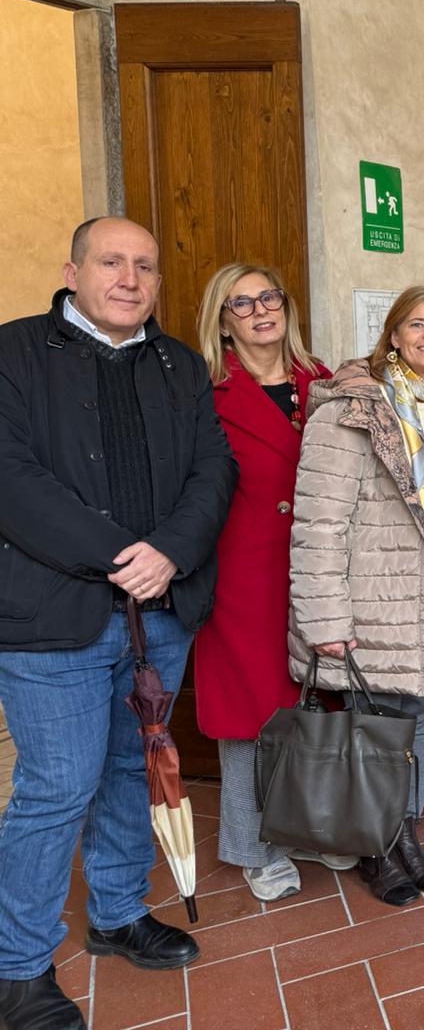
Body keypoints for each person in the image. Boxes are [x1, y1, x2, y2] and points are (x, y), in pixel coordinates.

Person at [0, 217, 235, 1030]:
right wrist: (118, 553)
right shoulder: (14, 352)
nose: (129, 278)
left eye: (145, 266)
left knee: (137, 770)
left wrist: (168, 553)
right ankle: (18, 967)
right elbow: (11, 478)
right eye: (111, 262)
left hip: (158, 616)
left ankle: (116, 914)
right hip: (51, 620)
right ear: (73, 269)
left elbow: (214, 467)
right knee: (56, 789)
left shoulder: (180, 364)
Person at [289, 286, 424, 906]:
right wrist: (324, 619)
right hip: (374, 598)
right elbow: (318, 524)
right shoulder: (352, 410)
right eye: (416, 324)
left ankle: (404, 836)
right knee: (375, 727)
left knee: (420, 717)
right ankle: (376, 848)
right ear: (393, 335)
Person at [193, 262, 346, 903]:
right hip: (244, 571)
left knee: (317, 700)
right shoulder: (205, 392)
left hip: (317, 568)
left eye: (268, 297)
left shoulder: (324, 381)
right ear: (223, 324)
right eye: (240, 304)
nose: (260, 311)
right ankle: (254, 846)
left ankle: (308, 826)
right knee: (251, 709)